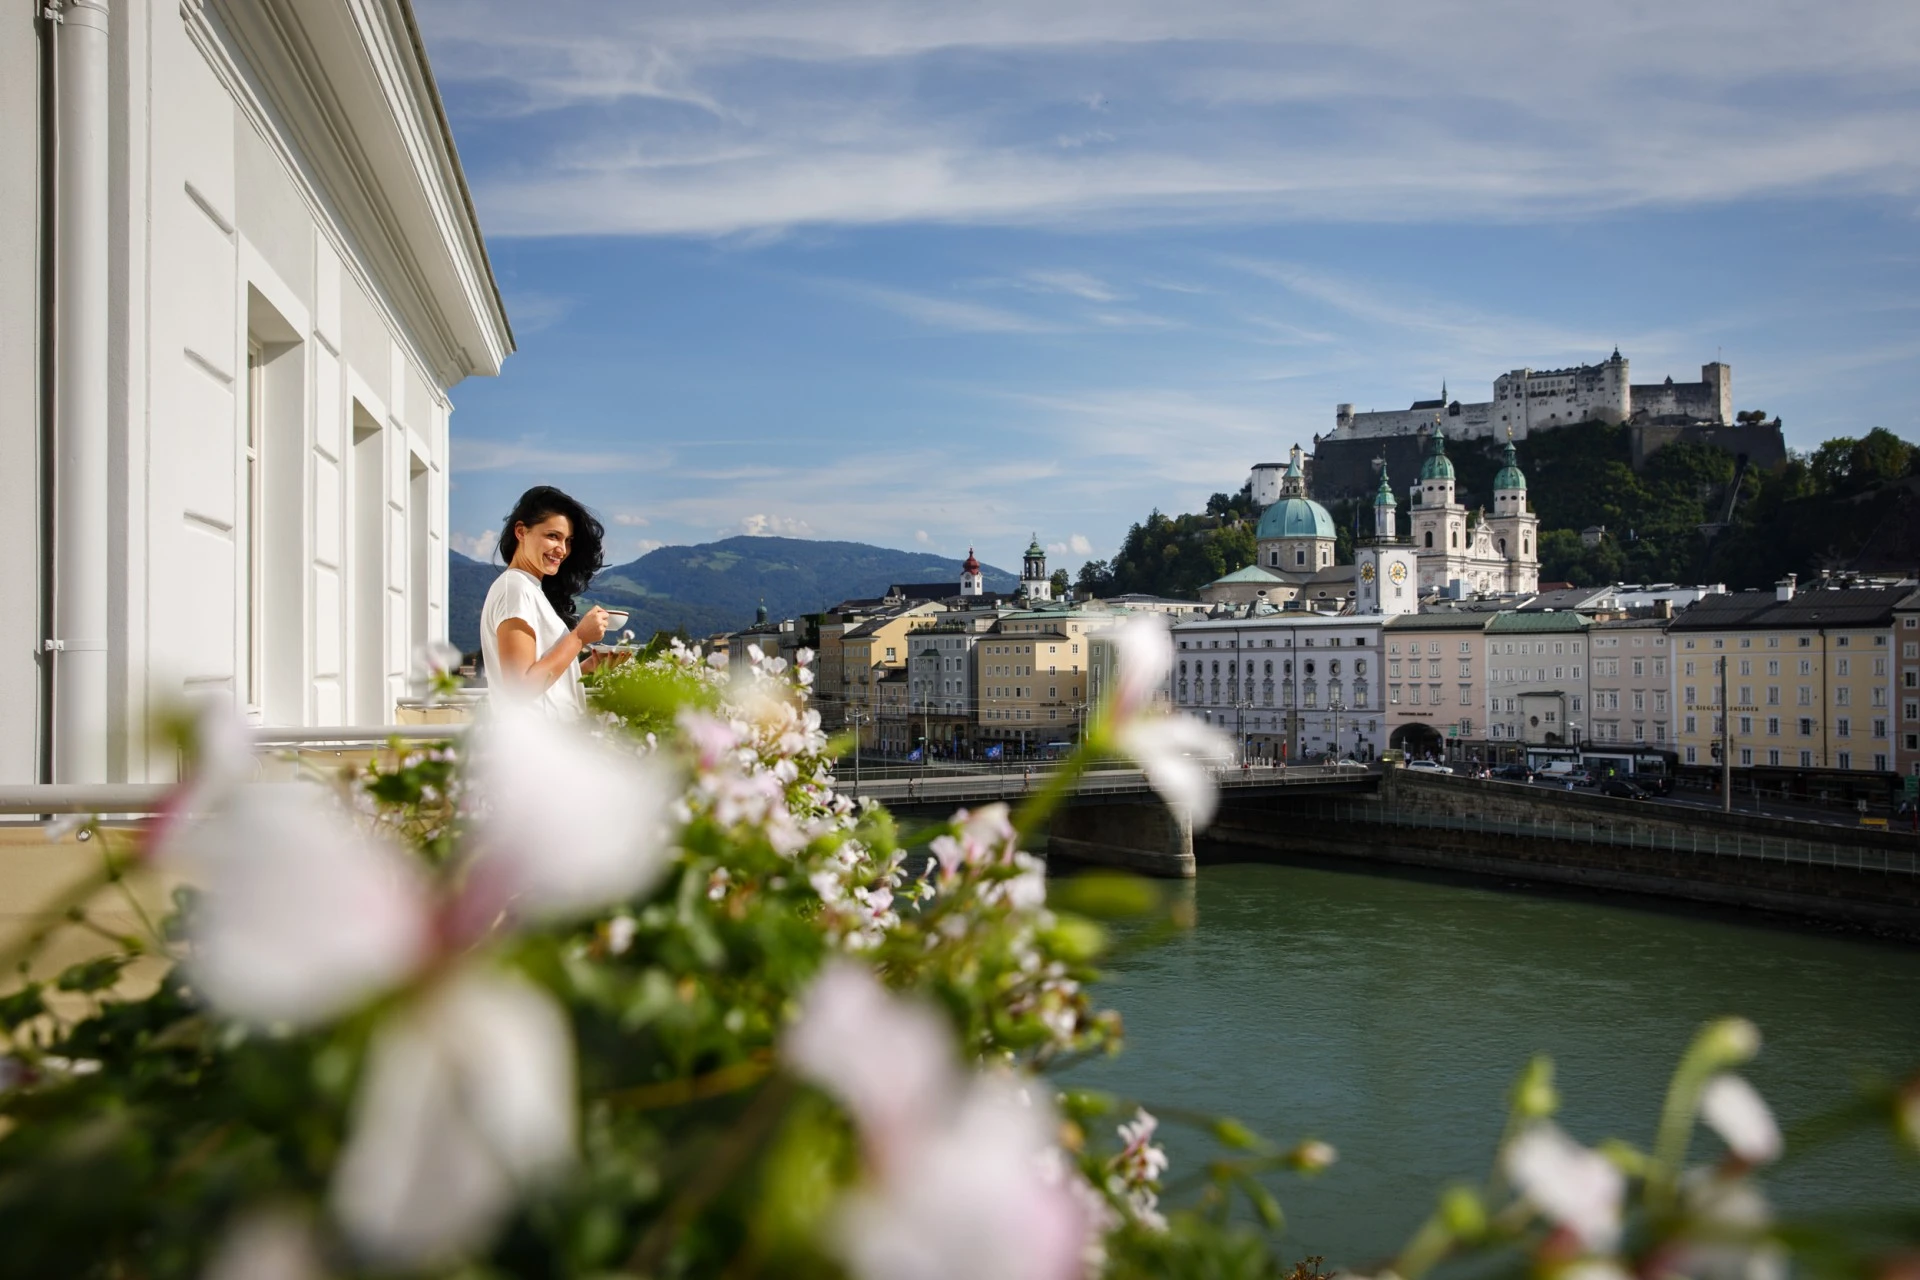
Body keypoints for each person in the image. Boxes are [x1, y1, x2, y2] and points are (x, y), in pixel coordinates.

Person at [479, 486, 612, 719]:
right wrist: (579, 637)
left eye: (568, 540)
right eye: (553, 536)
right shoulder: (516, 590)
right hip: (531, 746)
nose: (562, 549)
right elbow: (520, 689)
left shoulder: (529, 589)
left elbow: (539, 682)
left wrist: (586, 668)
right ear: (521, 532)